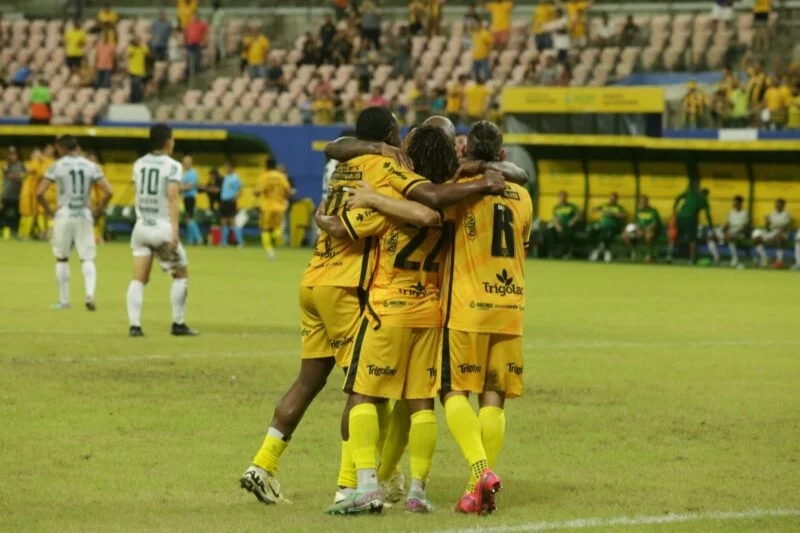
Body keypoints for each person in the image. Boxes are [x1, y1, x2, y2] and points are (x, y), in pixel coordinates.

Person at [239, 107, 506, 509]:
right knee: (367, 391)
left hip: (314, 278)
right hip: (349, 286)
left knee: (310, 380)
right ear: (391, 136)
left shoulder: (347, 162)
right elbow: (426, 205)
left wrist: (333, 220)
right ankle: (352, 486)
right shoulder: (387, 169)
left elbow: (336, 149)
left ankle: (264, 463)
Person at [434, 121, 532, 515]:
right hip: (510, 308)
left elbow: (437, 205)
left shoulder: (462, 195)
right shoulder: (524, 197)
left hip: (467, 308)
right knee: (495, 395)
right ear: (504, 155)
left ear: (466, 151)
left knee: (452, 392)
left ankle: (479, 471)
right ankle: (475, 493)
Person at [126, 124, 197, 337]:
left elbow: (137, 191)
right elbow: (173, 197)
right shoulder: (173, 166)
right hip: (162, 227)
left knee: (139, 278)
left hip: (141, 227)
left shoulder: (139, 164)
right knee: (180, 274)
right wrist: (174, 231)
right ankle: (178, 323)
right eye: (172, 139)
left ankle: (135, 326)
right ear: (167, 141)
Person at [35, 136, 112, 310]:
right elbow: (108, 191)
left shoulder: (57, 166)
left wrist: (49, 212)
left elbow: (39, 193)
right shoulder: (91, 166)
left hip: (64, 215)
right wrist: (97, 211)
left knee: (62, 258)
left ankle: (64, 301)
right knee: (87, 257)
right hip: (84, 214)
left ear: (61, 148)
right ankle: (90, 295)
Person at [255, 159, 292, 259]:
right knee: (277, 228)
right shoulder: (281, 176)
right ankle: (278, 235)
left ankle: (269, 251)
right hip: (280, 207)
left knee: (265, 229)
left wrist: (255, 193)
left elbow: (258, 192)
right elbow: (288, 191)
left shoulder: (264, 177)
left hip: (267, 207)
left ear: (266, 166)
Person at [668, 184, 713, 264]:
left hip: (680, 217)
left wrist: (675, 206)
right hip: (691, 219)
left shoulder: (691, 194)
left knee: (675, 236)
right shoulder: (704, 199)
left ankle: (669, 256)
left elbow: (680, 196)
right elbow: (707, 214)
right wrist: (710, 225)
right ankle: (692, 259)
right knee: (692, 240)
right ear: (706, 195)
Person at [707, 195, 748, 266]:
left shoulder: (745, 213)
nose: (734, 204)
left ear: (740, 203)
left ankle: (735, 259)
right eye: (734, 202)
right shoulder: (731, 212)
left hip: (739, 233)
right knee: (711, 236)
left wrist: (732, 233)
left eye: (736, 202)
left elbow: (744, 227)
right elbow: (727, 225)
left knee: (730, 237)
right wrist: (722, 231)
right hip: (729, 232)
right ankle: (717, 258)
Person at [752, 198, 791, 267]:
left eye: (779, 204)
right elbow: (767, 228)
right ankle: (765, 258)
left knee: (778, 238)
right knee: (757, 238)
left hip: (783, 234)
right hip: (772, 233)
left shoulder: (786, 214)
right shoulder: (772, 213)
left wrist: (776, 235)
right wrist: (767, 221)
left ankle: (779, 261)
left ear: (783, 205)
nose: (777, 206)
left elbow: (785, 227)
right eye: (776, 204)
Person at [589, 192, 626, 263]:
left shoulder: (618, 207)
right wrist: (598, 210)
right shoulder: (604, 205)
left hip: (613, 226)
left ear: (616, 200)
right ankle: (597, 250)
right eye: (611, 198)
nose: (612, 200)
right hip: (601, 226)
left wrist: (613, 214)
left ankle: (606, 252)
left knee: (606, 234)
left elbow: (623, 215)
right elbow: (593, 209)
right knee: (591, 231)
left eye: (614, 199)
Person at [622, 195, 660, 262]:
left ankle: (649, 254)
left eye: (644, 201)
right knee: (625, 235)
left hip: (648, 230)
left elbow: (654, 224)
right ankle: (634, 251)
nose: (643, 203)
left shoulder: (653, 211)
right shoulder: (638, 211)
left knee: (649, 236)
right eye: (641, 202)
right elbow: (635, 223)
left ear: (647, 202)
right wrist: (637, 229)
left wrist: (644, 230)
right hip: (638, 230)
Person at [1, 147, 26, 240]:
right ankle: (3, 232)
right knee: (4, 214)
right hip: (7, 194)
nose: (12, 156)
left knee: (17, 215)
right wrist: (19, 176)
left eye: (14, 154)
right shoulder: (7, 165)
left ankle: (15, 232)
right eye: (10, 154)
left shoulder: (21, 165)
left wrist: (20, 176)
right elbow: (10, 176)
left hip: (18, 194)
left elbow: (25, 176)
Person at [548, 190, 581, 258]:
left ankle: (566, 253)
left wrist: (572, 221)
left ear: (566, 198)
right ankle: (553, 252)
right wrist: (557, 226)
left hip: (568, 226)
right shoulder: (556, 208)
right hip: (559, 226)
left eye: (564, 197)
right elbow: (555, 218)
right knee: (550, 232)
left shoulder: (571, 206)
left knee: (566, 233)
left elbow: (579, 214)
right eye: (561, 197)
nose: (562, 199)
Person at [181, 155, 203, 245]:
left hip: (190, 197)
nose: (185, 164)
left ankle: (199, 238)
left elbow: (190, 185)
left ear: (190, 163)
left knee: (190, 219)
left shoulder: (193, 173)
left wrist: (179, 188)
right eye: (184, 162)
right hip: (186, 197)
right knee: (188, 219)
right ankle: (190, 240)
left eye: (187, 162)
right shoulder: (185, 173)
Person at [184, 13, 208, 78]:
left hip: (198, 44)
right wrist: (185, 42)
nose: (194, 18)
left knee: (198, 58)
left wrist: (204, 41)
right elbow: (186, 34)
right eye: (193, 17)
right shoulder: (188, 24)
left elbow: (206, 33)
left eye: (196, 16)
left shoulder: (202, 24)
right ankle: (188, 73)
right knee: (189, 59)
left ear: (198, 17)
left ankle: (199, 72)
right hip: (190, 44)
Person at [127, 37, 149, 103]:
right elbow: (129, 53)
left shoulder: (142, 48)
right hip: (132, 70)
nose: (137, 42)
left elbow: (147, 52)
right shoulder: (131, 47)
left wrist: (142, 44)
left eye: (138, 41)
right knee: (133, 86)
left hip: (140, 70)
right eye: (136, 40)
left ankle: (137, 100)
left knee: (138, 87)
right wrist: (133, 45)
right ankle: (133, 100)